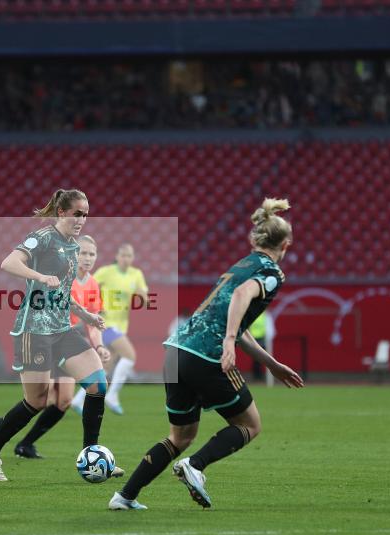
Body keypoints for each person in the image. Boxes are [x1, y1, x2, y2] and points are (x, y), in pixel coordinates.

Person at [109, 198, 304, 511]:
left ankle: (124, 496)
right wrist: (228, 341)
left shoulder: (240, 265)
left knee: (180, 436)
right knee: (250, 425)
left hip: (176, 351)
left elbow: (236, 320)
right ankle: (195, 466)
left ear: (254, 239)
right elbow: (241, 297)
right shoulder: (271, 272)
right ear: (286, 244)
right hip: (206, 355)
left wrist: (271, 364)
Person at [0, 189, 111, 483]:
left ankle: (92, 456)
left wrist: (86, 315)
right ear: (62, 212)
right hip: (34, 330)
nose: (82, 220)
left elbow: (62, 292)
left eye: (86, 215)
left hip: (62, 329)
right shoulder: (43, 237)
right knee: (36, 401)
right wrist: (39, 277)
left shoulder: (72, 247)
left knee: (97, 385)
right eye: (77, 213)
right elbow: (8, 263)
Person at [11, 235, 112, 459]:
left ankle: (19, 440)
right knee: (47, 400)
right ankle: (12, 437)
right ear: (74, 254)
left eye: (92, 254)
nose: (87, 258)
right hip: (52, 337)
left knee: (59, 401)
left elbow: (92, 321)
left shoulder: (92, 284)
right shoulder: (65, 275)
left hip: (70, 341)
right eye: (83, 253)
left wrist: (99, 346)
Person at [71, 243, 148, 415]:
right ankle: (112, 395)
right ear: (117, 256)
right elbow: (88, 285)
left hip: (121, 326)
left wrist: (143, 296)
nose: (126, 259)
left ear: (133, 258)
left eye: (129, 255)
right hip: (105, 323)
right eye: (123, 255)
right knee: (130, 355)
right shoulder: (106, 272)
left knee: (106, 364)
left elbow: (145, 299)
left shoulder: (136, 274)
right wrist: (95, 307)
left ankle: (78, 399)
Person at [249, 310, 270, 381]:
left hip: (262, 338)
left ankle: (263, 376)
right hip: (254, 339)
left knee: (263, 358)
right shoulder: (253, 314)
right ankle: (257, 376)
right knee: (256, 359)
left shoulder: (264, 315)